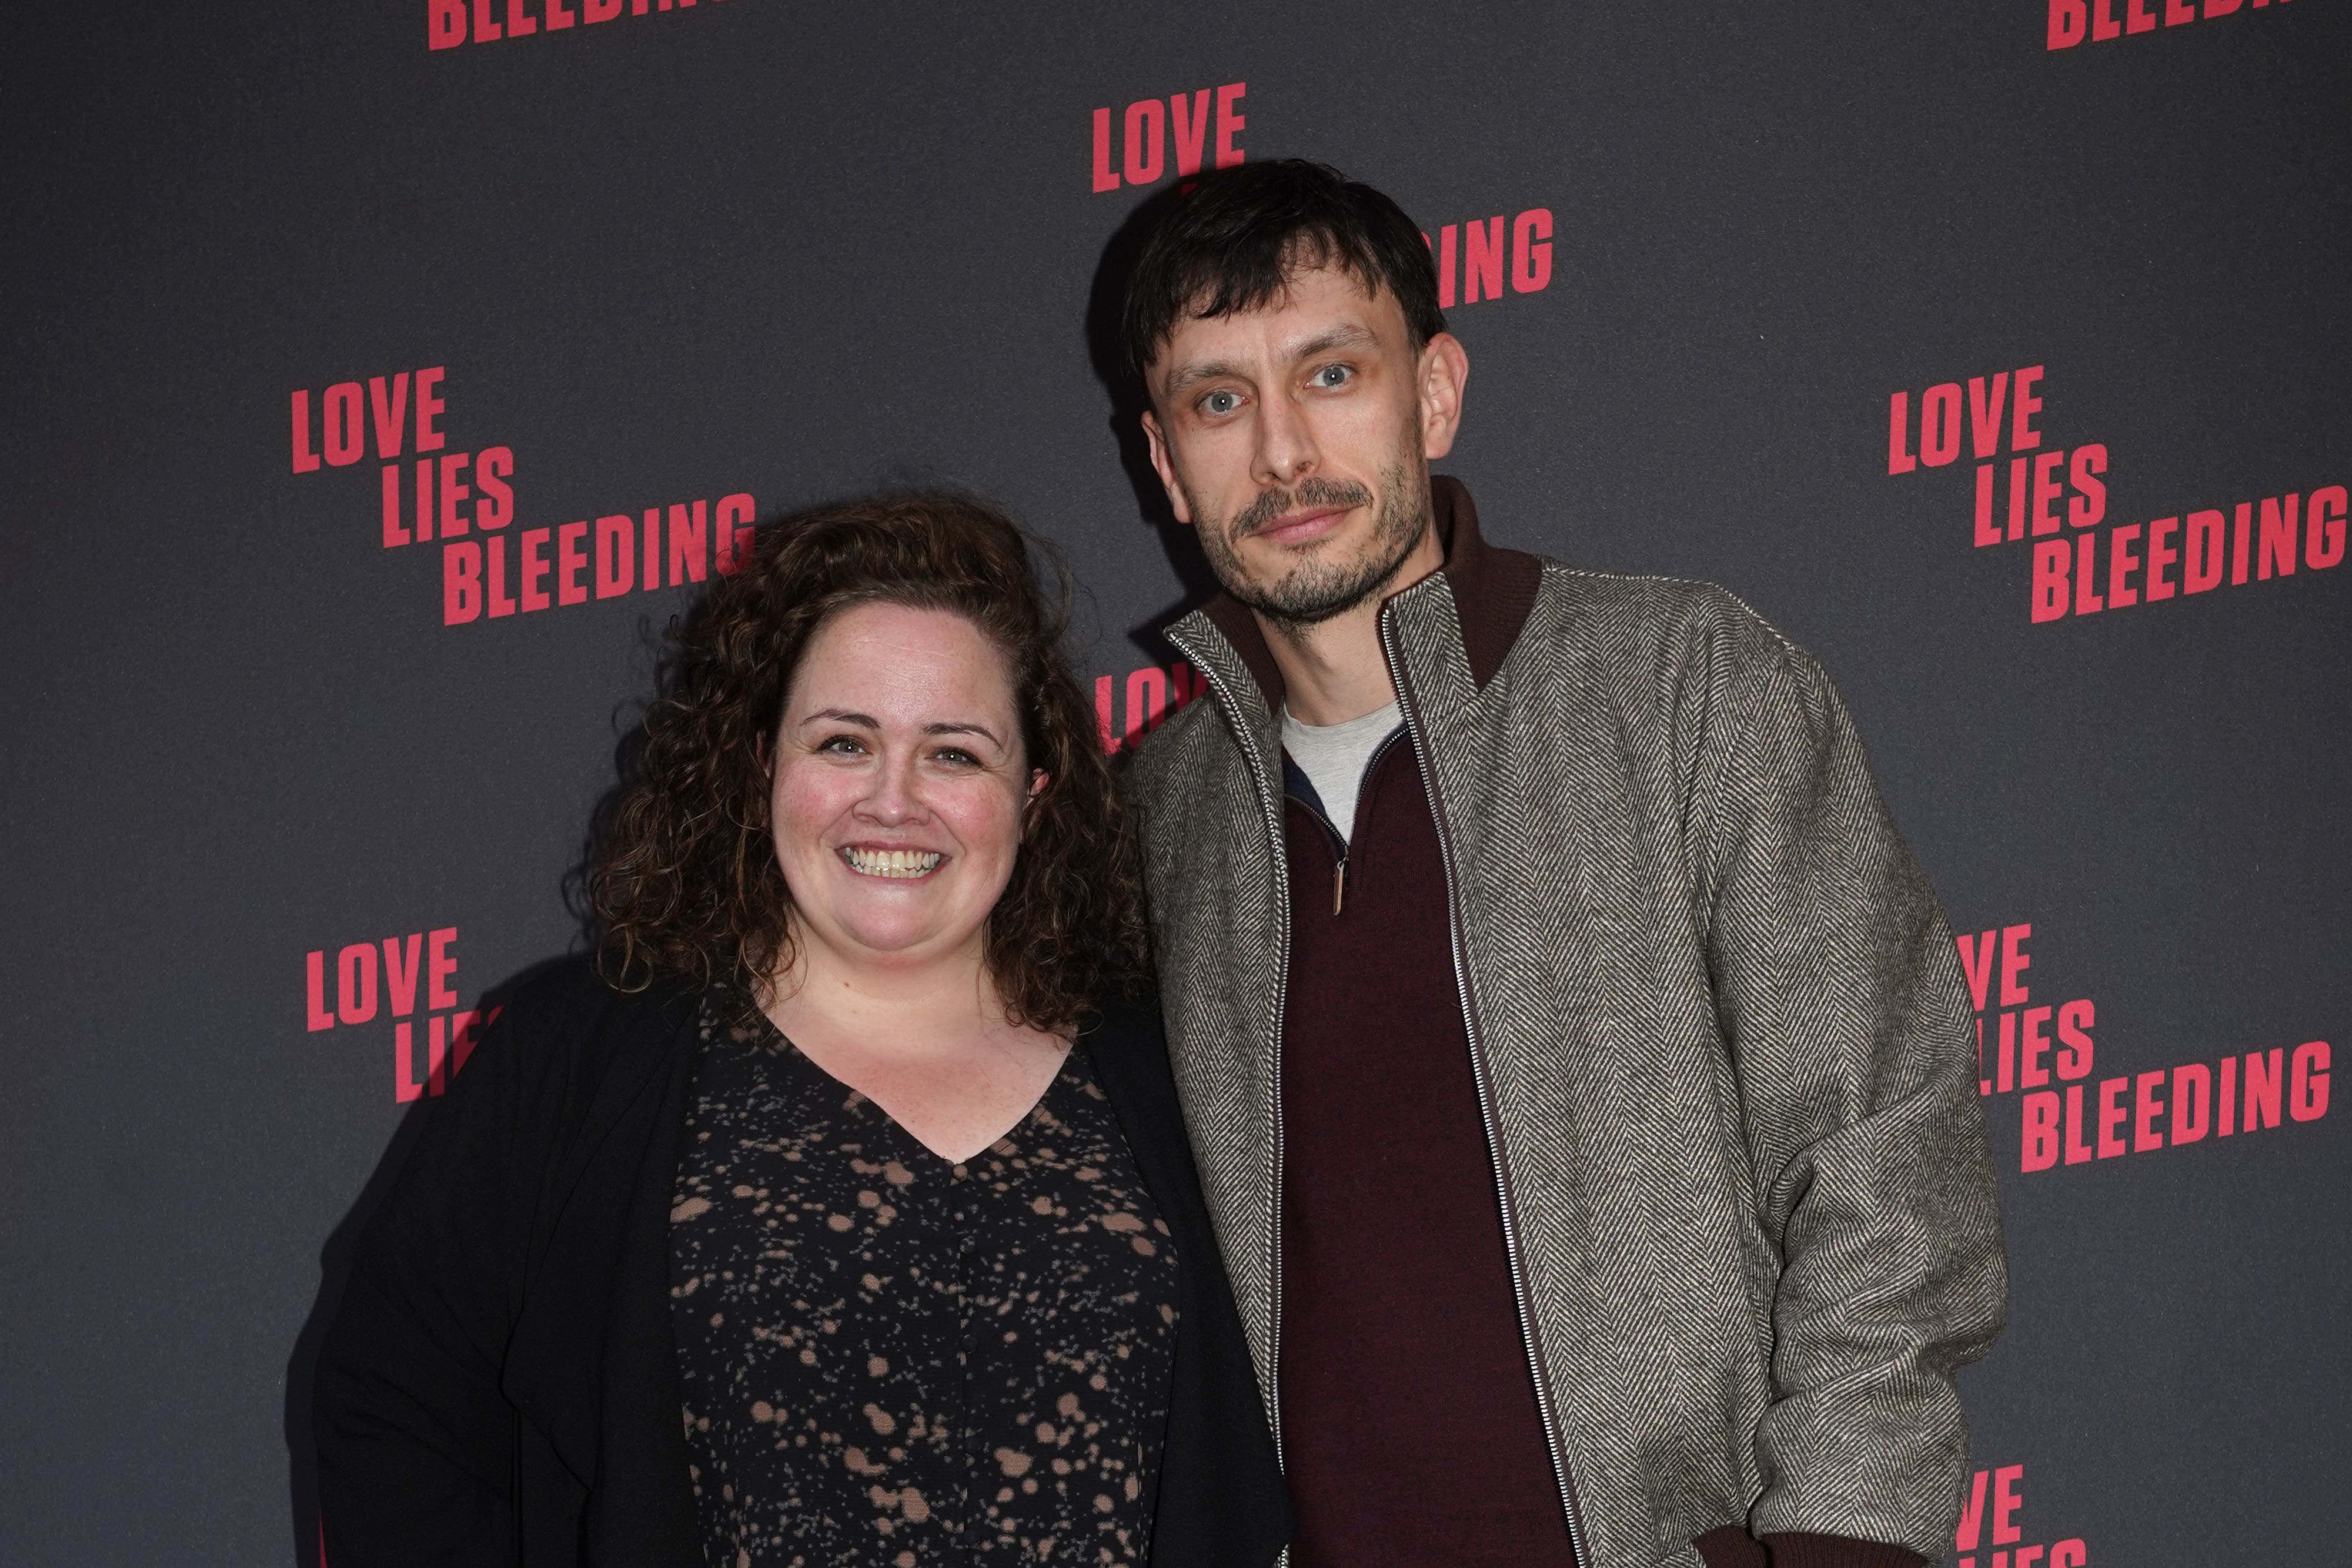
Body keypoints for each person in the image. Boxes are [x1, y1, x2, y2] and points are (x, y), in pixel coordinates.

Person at [1117, 160, 2007, 1568]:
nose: (1281, 452)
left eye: (1330, 372)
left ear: (1435, 390)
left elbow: (1882, 1154)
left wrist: (1838, 1545)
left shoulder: (1682, 683)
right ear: (1165, 462)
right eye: (1218, 400)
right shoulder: (1158, 820)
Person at [313, 493, 1288, 1567]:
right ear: (764, 763)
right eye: (843, 742)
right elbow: (392, 1405)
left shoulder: (1173, 1073)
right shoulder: (575, 1058)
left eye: (955, 754)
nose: (892, 801)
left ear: (1035, 793)